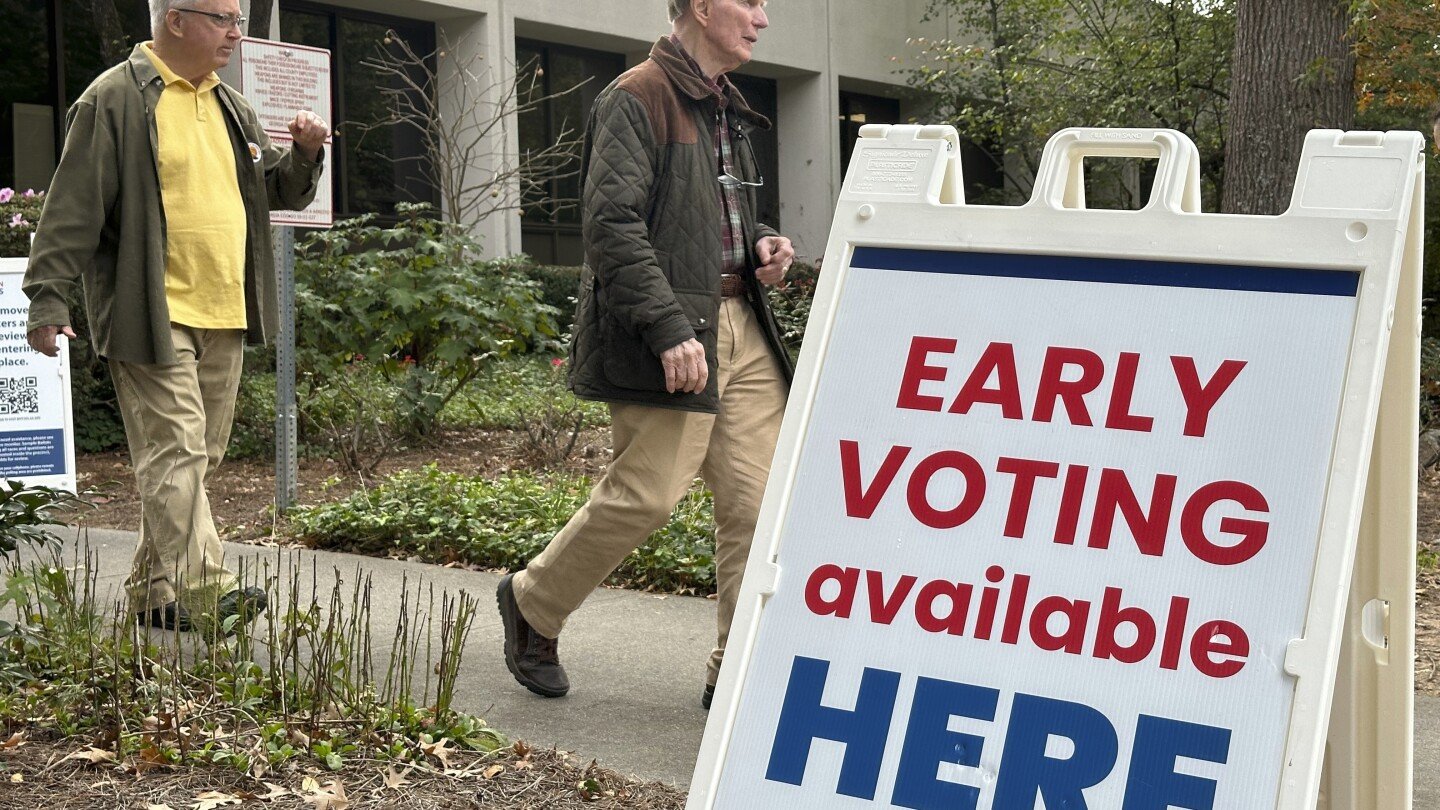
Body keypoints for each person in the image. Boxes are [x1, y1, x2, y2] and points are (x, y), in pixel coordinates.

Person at [497, 0, 796, 710]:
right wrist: (667, 327)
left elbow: (708, 216)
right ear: (698, 6)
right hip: (671, 328)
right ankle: (534, 603)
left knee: (758, 508)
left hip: (741, 323)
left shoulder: (726, 106)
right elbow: (611, 225)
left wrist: (761, 243)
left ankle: (736, 669)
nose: (762, 17)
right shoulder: (636, 96)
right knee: (649, 492)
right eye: (749, 1)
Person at [23, 0, 327, 633]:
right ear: (176, 21)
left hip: (225, 308)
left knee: (194, 459)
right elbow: (71, 207)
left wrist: (303, 155)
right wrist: (49, 296)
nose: (236, 32)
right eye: (223, 19)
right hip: (149, 311)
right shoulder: (113, 99)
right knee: (178, 452)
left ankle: (151, 592)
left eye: (239, 19)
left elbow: (274, 191)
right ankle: (206, 592)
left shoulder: (230, 105)